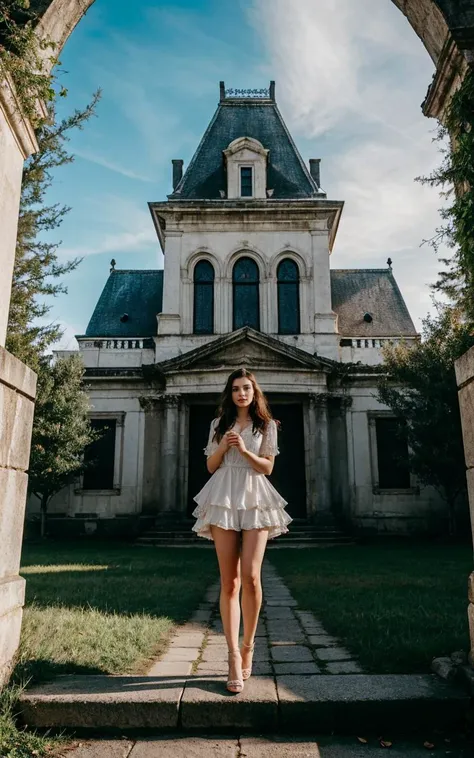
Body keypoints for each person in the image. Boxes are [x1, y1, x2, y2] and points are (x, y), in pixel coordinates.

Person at [192, 367, 292, 693]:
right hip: (223, 495)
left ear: (254, 392)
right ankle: (233, 655)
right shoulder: (218, 424)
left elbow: (268, 467)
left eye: (246, 388)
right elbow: (210, 465)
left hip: (254, 495)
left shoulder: (267, 425)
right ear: (230, 393)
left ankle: (249, 644)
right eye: (235, 388)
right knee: (230, 581)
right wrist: (224, 446)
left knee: (250, 576)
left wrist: (246, 450)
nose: (241, 394)